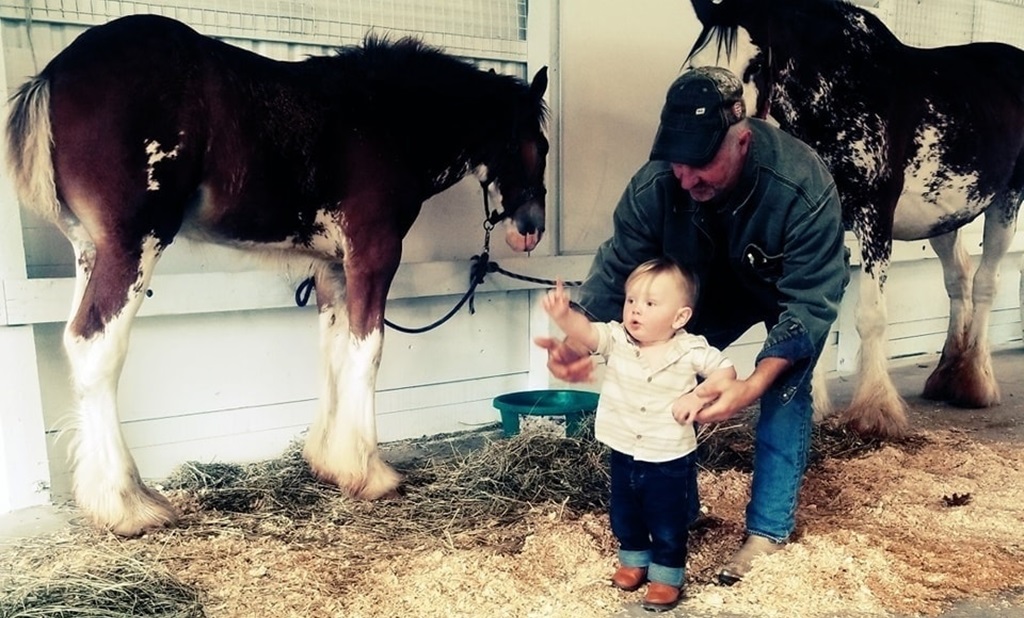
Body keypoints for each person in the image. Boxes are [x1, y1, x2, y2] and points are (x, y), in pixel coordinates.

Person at [535, 66, 849, 586]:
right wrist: (579, 338)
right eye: (677, 164)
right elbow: (617, 272)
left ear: (742, 142)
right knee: (670, 377)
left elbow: (809, 306)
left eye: (701, 165)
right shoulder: (657, 183)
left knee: (785, 389)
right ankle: (677, 516)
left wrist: (749, 384)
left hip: (783, 297)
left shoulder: (803, 185)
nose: (686, 179)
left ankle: (767, 532)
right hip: (697, 296)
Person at [540, 258, 736, 611]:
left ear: (680, 317)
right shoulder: (617, 339)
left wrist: (698, 396)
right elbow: (587, 334)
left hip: (668, 456)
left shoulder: (691, 349)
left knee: (667, 519)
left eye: (649, 304)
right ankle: (634, 560)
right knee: (625, 512)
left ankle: (666, 576)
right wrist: (563, 315)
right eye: (631, 300)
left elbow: (727, 373)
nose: (635, 311)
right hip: (624, 448)